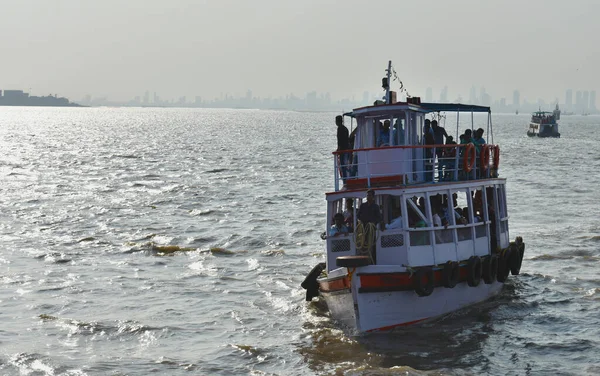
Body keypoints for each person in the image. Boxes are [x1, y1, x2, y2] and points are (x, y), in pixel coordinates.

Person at [357, 189, 385, 263]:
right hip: (363, 228)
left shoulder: (375, 206)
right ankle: (363, 260)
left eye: (369, 195)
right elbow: (358, 215)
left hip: (371, 229)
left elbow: (379, 217)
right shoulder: (363, 206)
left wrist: (373, 223)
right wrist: (361, 221)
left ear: (373, 197)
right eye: (367, 195)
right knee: (362, 244)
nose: (368, 197)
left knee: (371, 245)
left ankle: (371, 260)